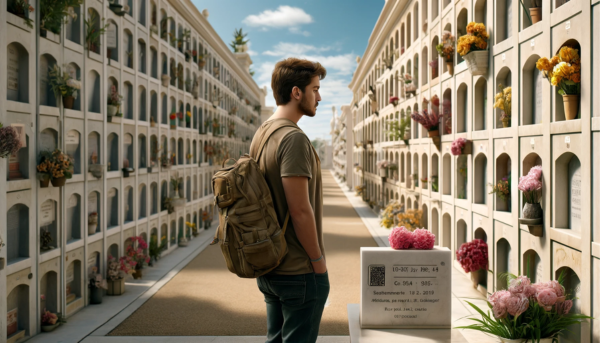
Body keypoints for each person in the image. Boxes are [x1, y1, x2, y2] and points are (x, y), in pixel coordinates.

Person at [249, 58, 329, 343]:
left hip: (270, 264)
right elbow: (300, 210)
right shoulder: (292, 139)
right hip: (298, 269)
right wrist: (318, 263)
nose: (319, 97)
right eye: (315, 89)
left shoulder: (262, 133)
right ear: (297, 92)